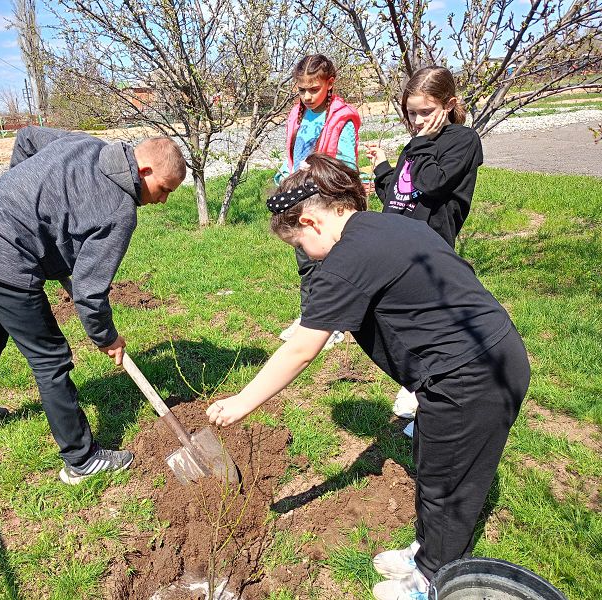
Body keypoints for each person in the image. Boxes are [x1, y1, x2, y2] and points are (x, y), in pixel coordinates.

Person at [207, 153, 529, 600]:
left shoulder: (347, 258)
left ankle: (431, 579)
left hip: (470, 376)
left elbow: (301, 348)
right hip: (485, 355)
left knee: (448, 485)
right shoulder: (389, 225)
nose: (304, 254)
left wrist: (241, 402)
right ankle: (427, 551)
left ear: (311, 222)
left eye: (298, 243)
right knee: (433, 459)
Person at [0, 126, 186, 485]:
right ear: (144, 170)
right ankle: (81, 459)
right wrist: (107, 338)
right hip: (6, 260)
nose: (163, 200)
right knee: (50, 359)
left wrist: (20, 198)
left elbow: (27, 138)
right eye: (164, 189)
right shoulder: (120, 211)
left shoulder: (84, 144)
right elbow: (89, 293)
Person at [365, 66, 483, 434]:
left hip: (428, 253)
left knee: (431, 332)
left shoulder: (462, 140)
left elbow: (432, 183)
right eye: (411, 113)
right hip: (397, 248)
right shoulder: (418, 143)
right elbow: (399, 196)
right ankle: (418, 388)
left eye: (425, 112)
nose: (417, 121)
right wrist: (382, 168)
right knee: (398, 327)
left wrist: (420, 145)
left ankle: (436, 406)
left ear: (448, 104)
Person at [275, 54, 361, 349]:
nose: (307, 96)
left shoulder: (340, 118)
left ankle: (331, 323)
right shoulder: (297, 114)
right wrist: (285, 174)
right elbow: (293, 154)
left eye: (314, 89)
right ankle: (309, 317)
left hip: (327, 200)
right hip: (301, 199)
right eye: (302, 90)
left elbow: (347, 163)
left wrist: (315, 170)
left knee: (328, 264)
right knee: (306, 261)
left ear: (330, 83)